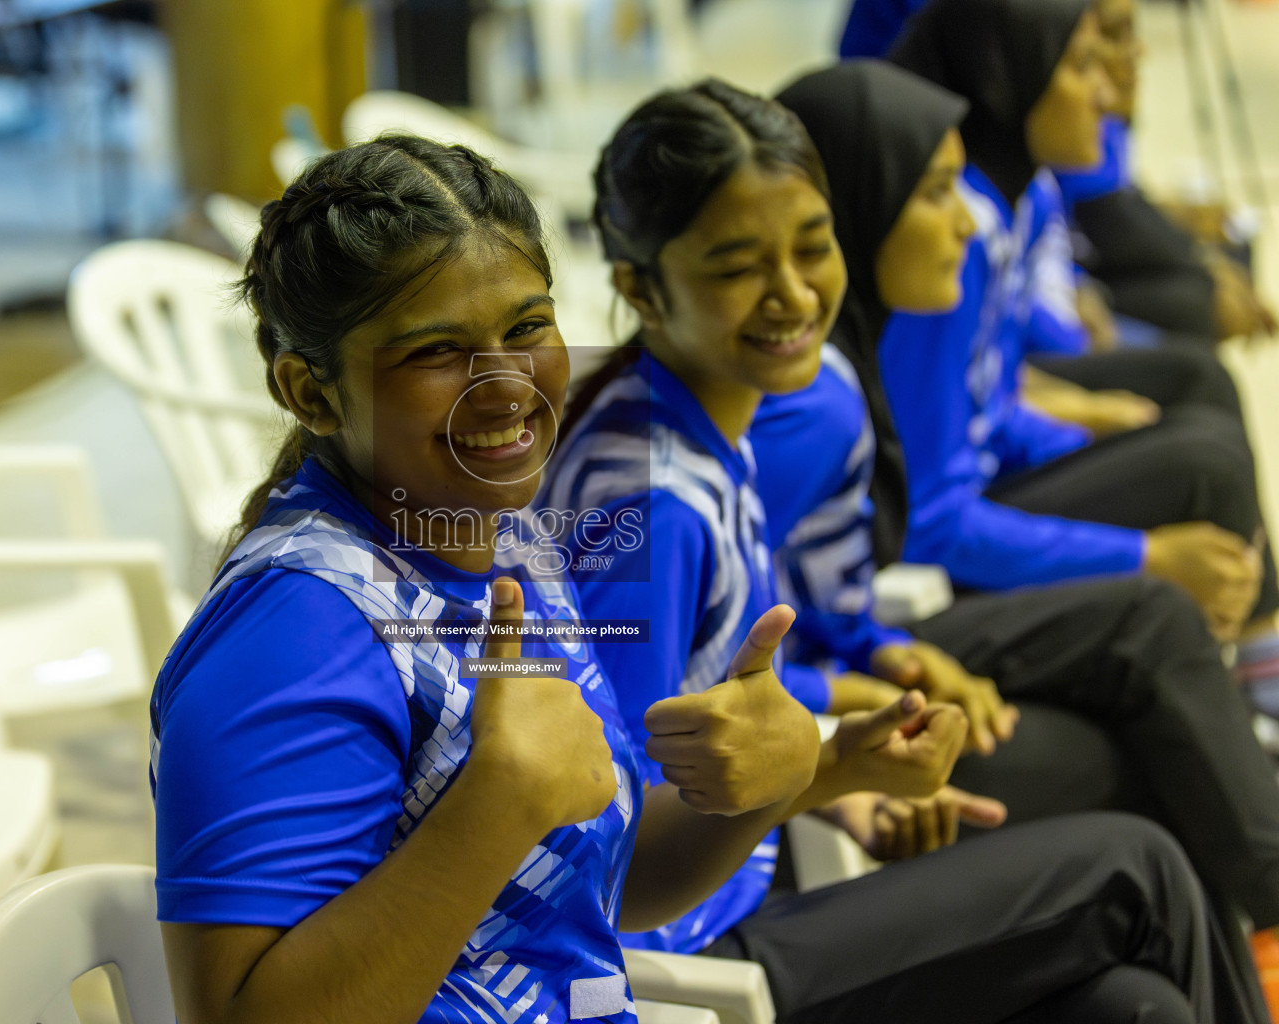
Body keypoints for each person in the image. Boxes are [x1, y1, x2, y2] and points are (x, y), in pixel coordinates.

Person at [537, 77, 1257, 1024]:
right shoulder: (656, 500)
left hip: (752, 874)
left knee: (1136, 1002)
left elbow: (721, 708)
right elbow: (616, 824)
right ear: (641, 287)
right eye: (737, 265)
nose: (792, 293)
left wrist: (835, 765)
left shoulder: (708, 424)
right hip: (690, 953)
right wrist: (826, 763)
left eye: (811, 245)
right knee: (1141, 862)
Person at [151, 133, 842, 1024]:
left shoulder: (503, 536)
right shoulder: (295, 633)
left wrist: (774, 784)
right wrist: (493, 807)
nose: (507, 386)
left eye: (526, 328)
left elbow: (597, 885)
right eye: (437, 352)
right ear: (310, 393)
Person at [762, 65, 1279, 1010]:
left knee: (1160, 756)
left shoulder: (833, 374)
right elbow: (686, 696)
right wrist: (845, 700)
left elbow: (971, 428)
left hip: (863, 670)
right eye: (933, 191)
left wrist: (878, 653)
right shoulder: (764, 429)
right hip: (796, 780)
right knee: (1149, 712)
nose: (965, 217)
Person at [874, 0, 1277, 650]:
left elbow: (991, 397)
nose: (1108, 85)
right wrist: (1144, 555)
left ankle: (1253, 661)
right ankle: (1259, 669)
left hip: (985, 482)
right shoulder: (958, 237)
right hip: (928, 569)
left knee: (1197, 423)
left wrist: (1077, 423)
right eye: (1085, 62)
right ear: (1012, 76)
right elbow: (934, 516)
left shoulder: (1016, 195)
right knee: (1202, 465)